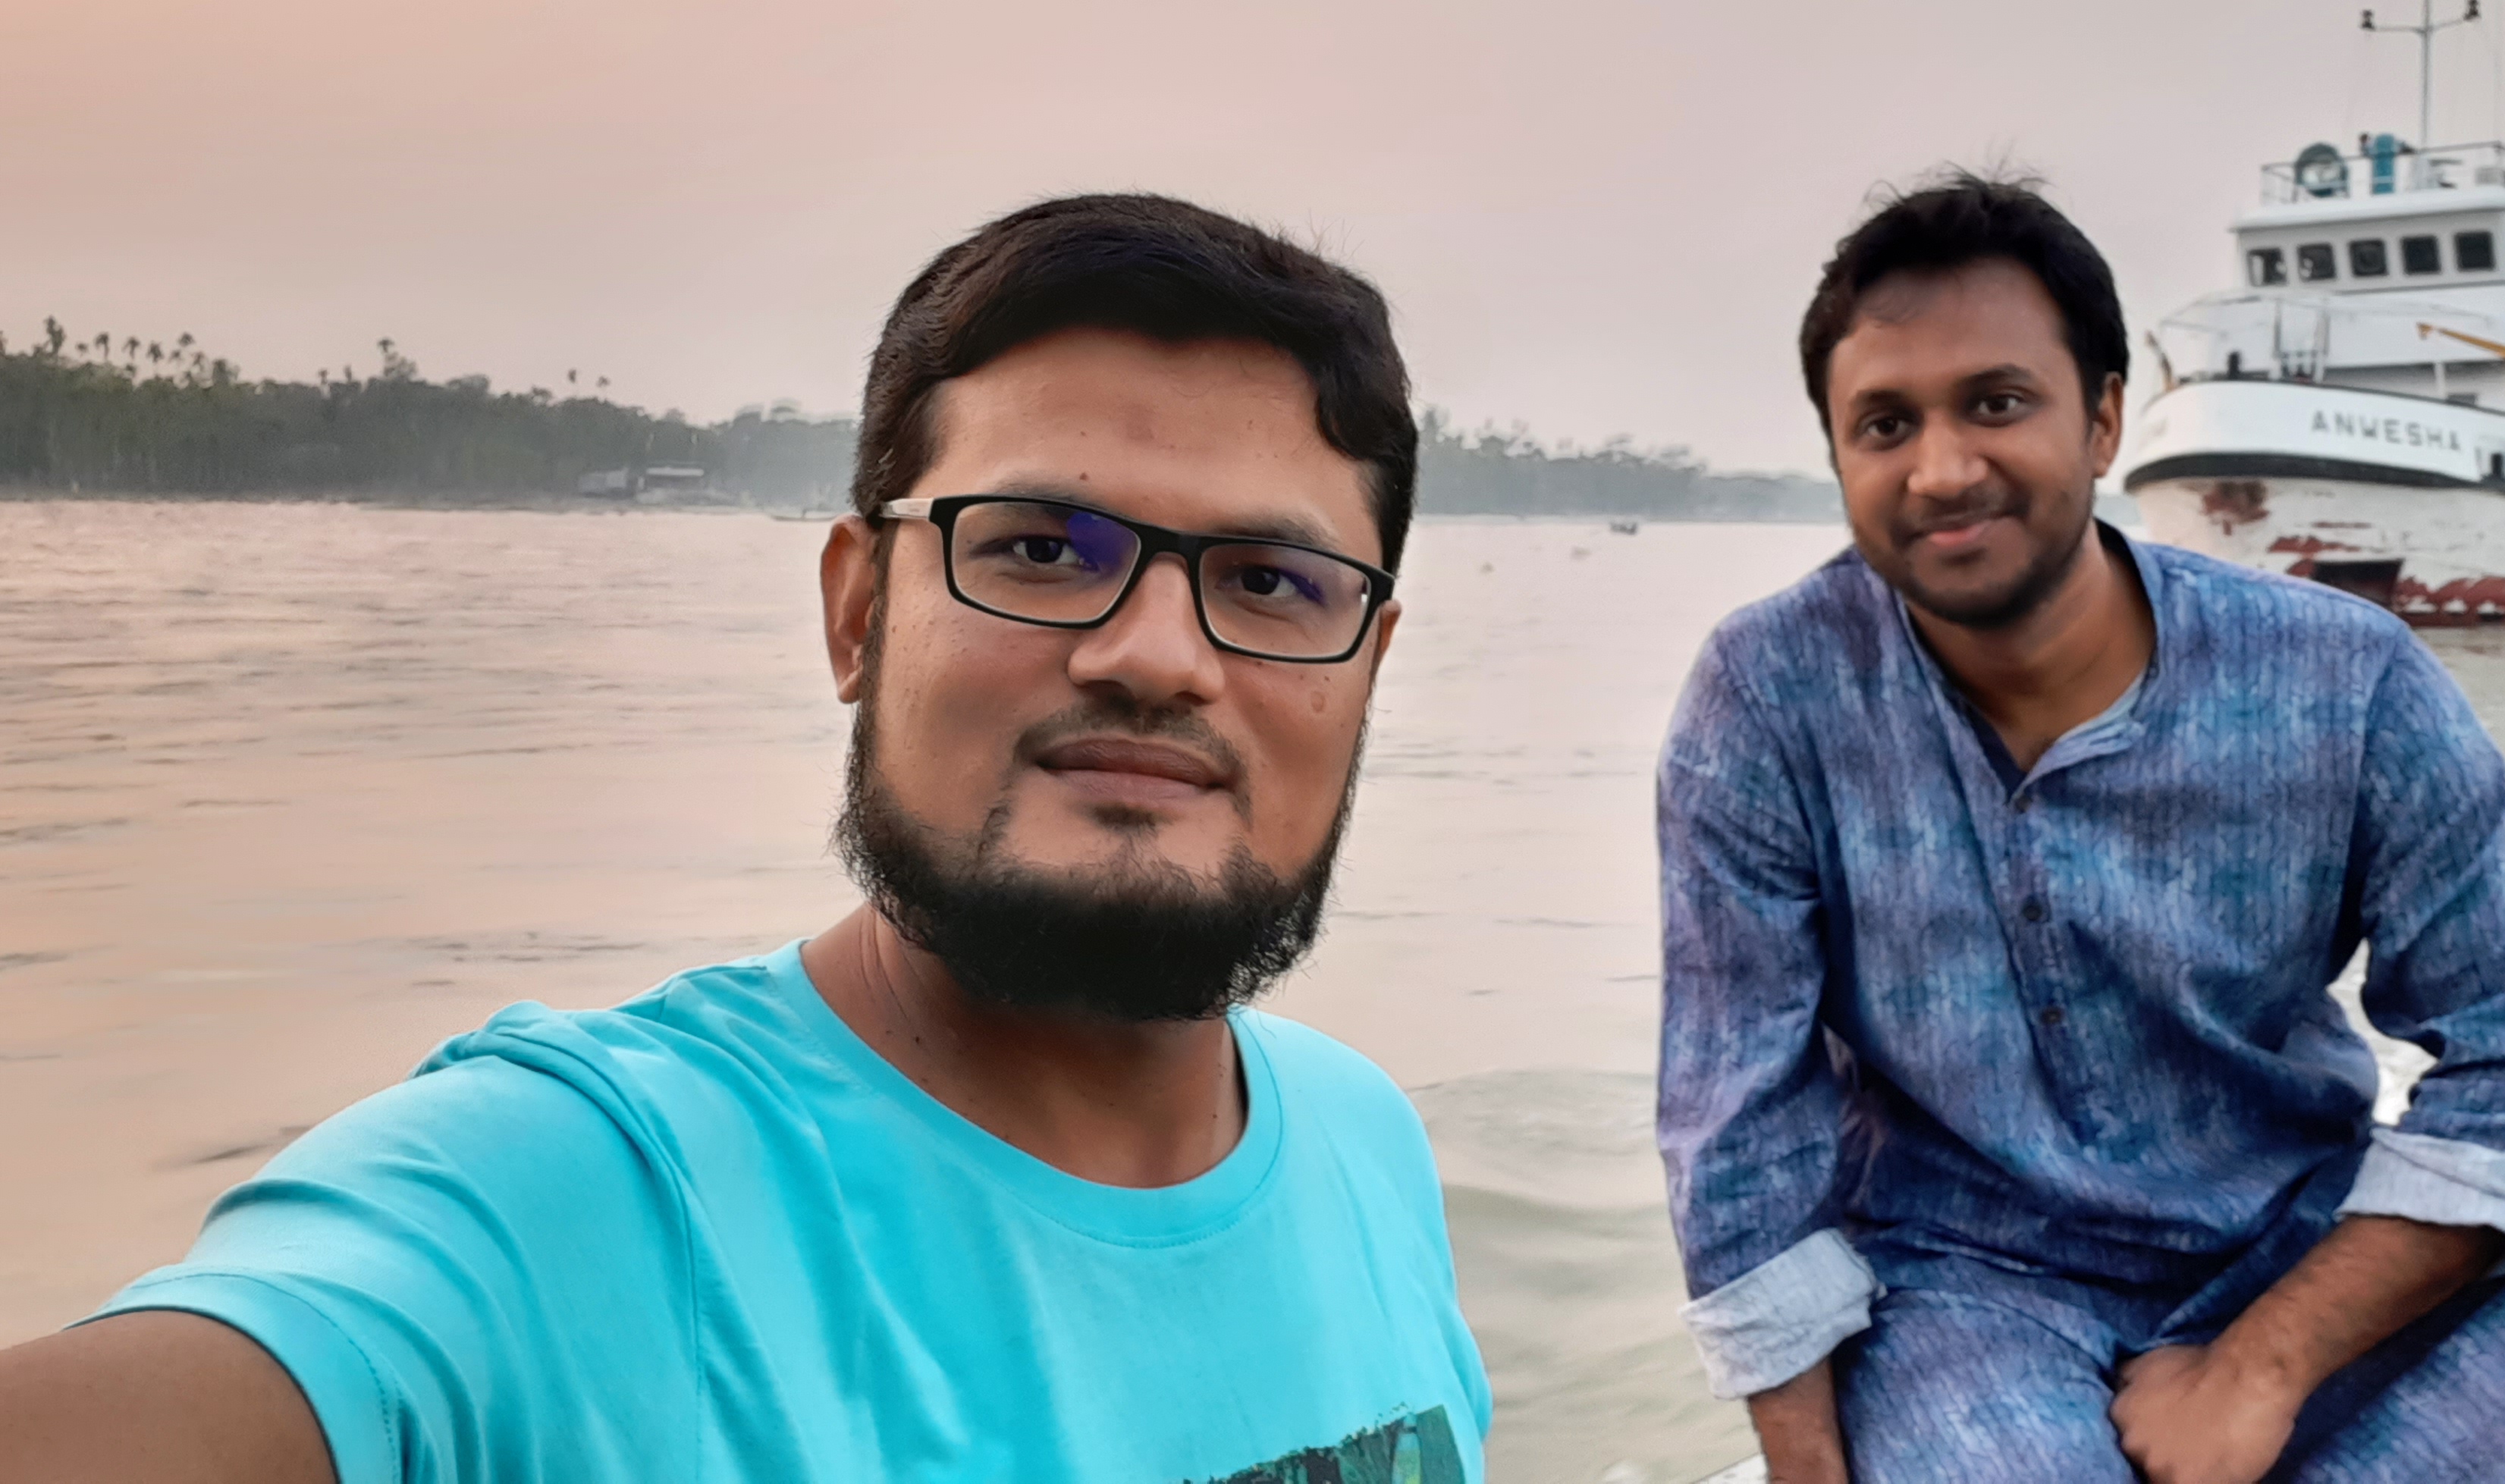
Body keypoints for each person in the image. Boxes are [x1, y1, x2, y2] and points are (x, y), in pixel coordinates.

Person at [0, 195, 1489, 1482]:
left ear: (1368, 665)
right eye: (1041, 549)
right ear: (859, 612)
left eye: (1271, 581)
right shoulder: (571, 1198)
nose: (1157, 655)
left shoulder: (1359, 1143)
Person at [1654, 171, 2505, 1484]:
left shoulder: (2343, 676)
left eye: (1997, 403)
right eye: (1886, 425)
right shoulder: (1768, 697)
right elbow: (1740, 1132)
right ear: (1839, 457)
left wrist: (2265, 1363)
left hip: (2301, 1230)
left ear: (2104, 419)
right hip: (1969, 1292)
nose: (1942, 470)